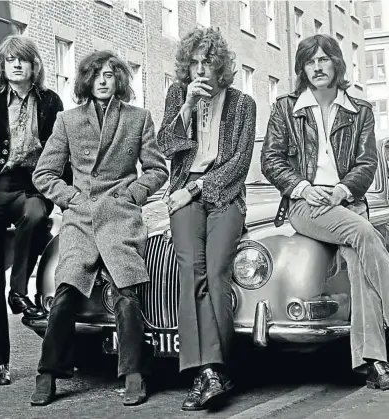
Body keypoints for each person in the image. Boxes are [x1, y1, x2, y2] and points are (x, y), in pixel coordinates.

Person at [261, 34, 389, 390]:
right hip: (307, 204)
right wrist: (303, 187)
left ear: (336, 64)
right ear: (302, 68)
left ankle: (375, 364)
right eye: (310, 61)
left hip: (348, 203)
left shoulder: (359, 111)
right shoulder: (286, 108)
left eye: (324, 60)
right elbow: (270, 159)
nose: (317, 67)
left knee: (362, 268)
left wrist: (345, 190)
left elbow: (366, 162)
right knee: (365, 234)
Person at [30, 50, 168, 407]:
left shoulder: (139, 118)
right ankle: (47, 374)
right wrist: (72, 198)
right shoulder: (67, 120)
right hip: (80, 218)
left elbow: (156, 168)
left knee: (127, 295)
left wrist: (134, 194)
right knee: (65, 294)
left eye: (109, 74)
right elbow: (43, 173)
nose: (103, 80)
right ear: (86, 81)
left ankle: (134, 375)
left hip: (121, 217)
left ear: (119, 79)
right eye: (96, 75)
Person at [157, 27, 256, 411]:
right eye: (194, 63)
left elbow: (240, 164)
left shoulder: (243, 104)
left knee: (216, 272)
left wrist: (195, 190)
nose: (200, 70)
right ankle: (211, 371)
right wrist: (184, 110)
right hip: (184, 192)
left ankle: (215, 368)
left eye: (207, 63)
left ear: (221, 67)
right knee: (191, 271)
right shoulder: (176, 96)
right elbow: (167, 147)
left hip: (223, 193)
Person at [0, 35, 65, 385]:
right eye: (10, 60)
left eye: (22, 59)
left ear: (33, 65)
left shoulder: (50, 102)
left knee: (38, 216)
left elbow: (59, 149)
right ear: (3, 67)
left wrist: (67, 190)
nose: (16, 65)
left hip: (29, 186)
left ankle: (19, 290)